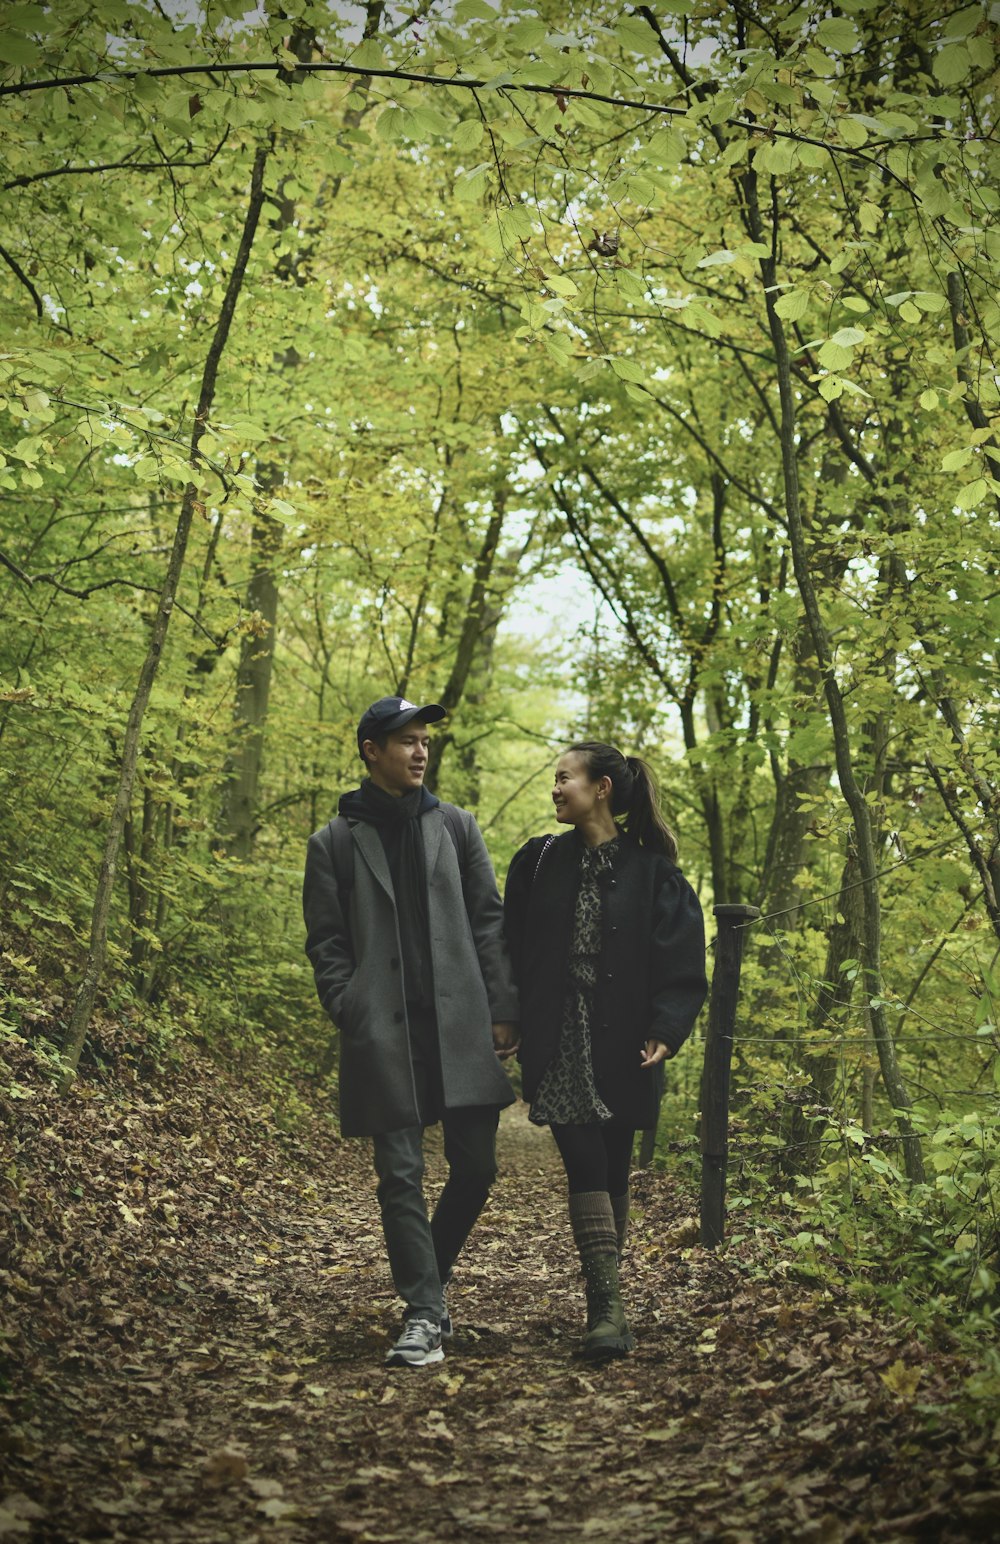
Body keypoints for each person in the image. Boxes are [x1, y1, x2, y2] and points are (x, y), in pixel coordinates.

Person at [303, 696, 519, 1368]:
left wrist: (502, 1005)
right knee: (399, 1175)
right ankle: (424, 1313)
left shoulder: (456, 827)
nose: (421, 751)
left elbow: (489, 919)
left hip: (459, 1029)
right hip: (383, 1034)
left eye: (425, 741)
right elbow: (327, 941)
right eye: (406, 742)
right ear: (372, 750)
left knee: (477, 1169)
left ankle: (430, 1275)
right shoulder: (334, 842)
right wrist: (349, 1005)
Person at [504, 741, 707, 1360]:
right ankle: (606, 1311)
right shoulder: (536, 861)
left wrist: (667, 1028)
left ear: (603, 789)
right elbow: (507, 946)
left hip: (623, 1039)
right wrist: (505, 1015)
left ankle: (611, 1311)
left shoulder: (656, 873)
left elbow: (682, 964)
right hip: (557, 1031)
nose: (556, 789)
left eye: (565, 778)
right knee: (584, 1157)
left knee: (615, 1164)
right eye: (555, 780)